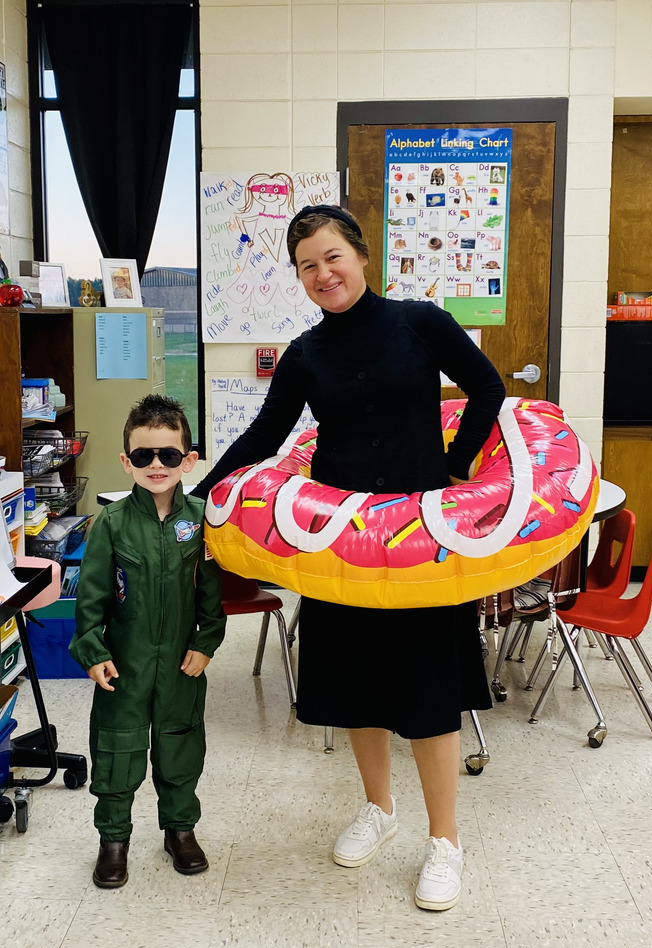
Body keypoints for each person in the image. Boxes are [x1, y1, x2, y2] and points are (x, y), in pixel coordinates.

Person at [191, 205, 505, 911]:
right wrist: (200, 494)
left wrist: (454, 469)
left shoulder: (419, 321)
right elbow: (267, 435)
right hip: (340, 544)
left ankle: (445, 842)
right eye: (306, 265)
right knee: (358, 686)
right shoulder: (306, 353)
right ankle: (378, 809)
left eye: (331, 256)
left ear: (360, 256)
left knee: (428, 694)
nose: (321, 273)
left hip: (420, 542)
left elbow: (486, 387)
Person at [70, 395, 227, 889]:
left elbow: (211, 597)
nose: (156, 466)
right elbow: (90, 599)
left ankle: (180, 829)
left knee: (181, 746)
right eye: (143, 457)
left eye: (168, 456)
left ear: (189, 459)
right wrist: (93, 654)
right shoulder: (112, 524)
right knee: (117, 750)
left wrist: (207, 644)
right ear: (126, 462)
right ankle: (113, 839)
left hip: (182, 663)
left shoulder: (203, 521)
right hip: (125, 665)